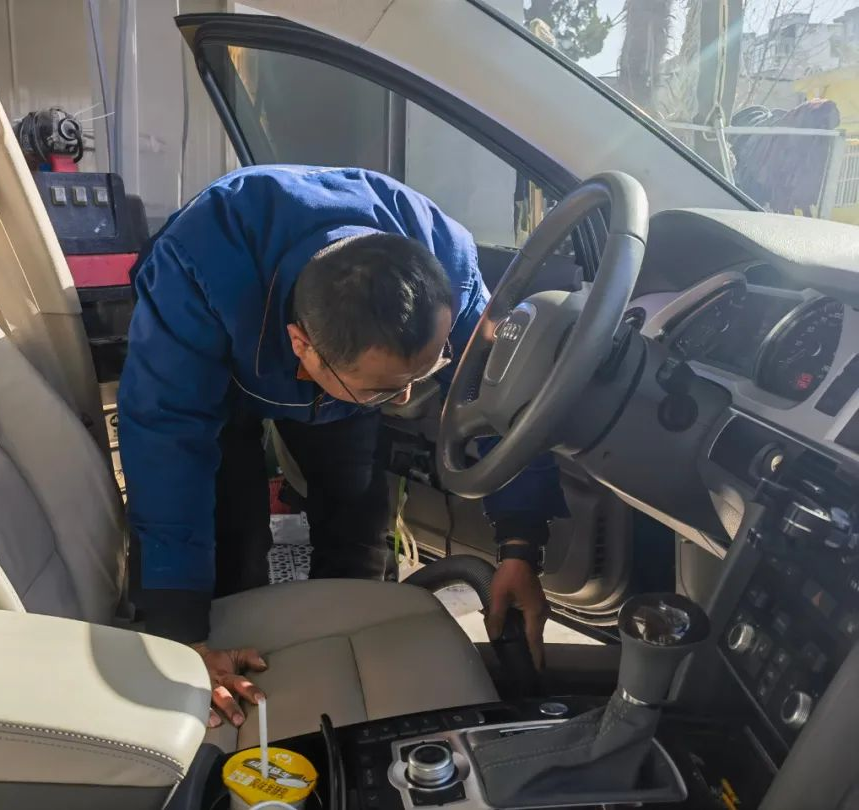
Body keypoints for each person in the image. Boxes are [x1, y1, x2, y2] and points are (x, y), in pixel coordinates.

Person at [118, 165, 568, 729]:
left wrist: (520, 545)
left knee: (358, 519)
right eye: (386, 390)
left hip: (338, 383)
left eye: (423, 372)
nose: (408, 398)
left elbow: (500, 403)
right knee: (232, 534)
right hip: (221, 362)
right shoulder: (196, 270)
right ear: (301, 347)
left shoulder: (446, 263)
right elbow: (166, 448)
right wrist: (179, 636)